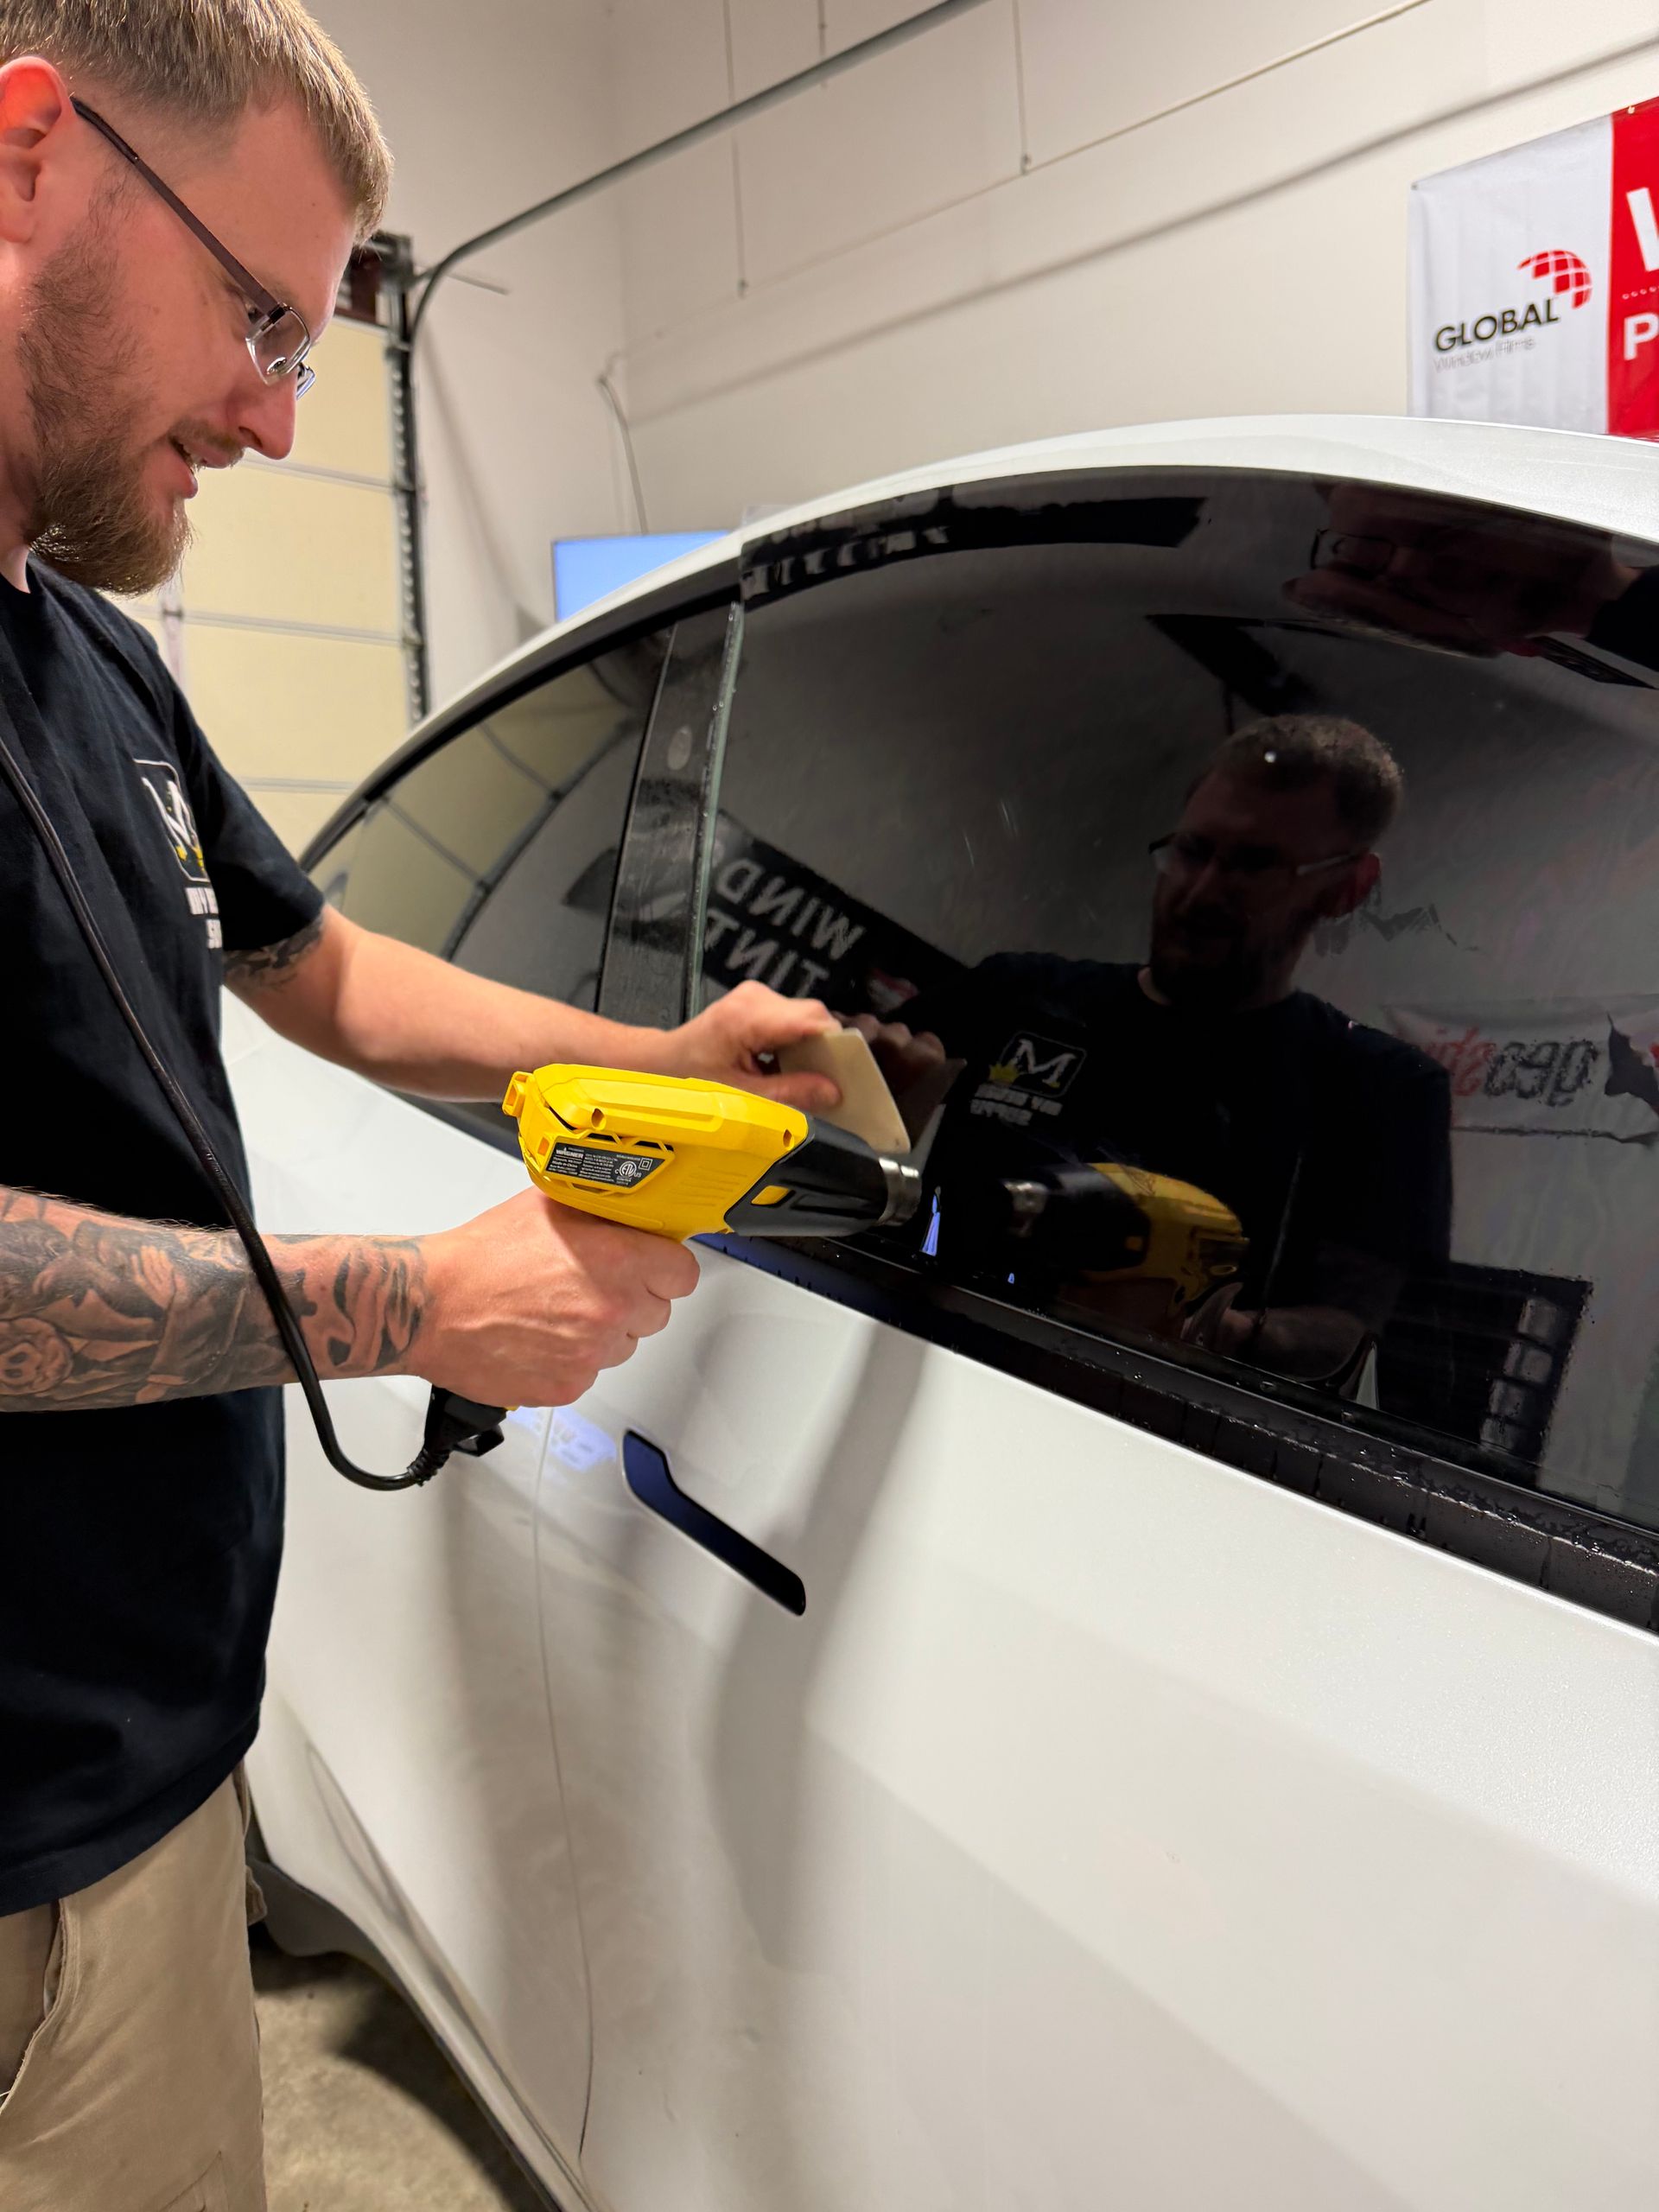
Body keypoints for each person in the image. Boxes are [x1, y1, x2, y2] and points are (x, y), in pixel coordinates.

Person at [0, 12, 841, 2209]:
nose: (282, 413)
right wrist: (409, 1297)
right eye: (259, 315)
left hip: (143, 1752)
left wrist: (646, 1062)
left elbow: (323, 969)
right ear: (25, 156)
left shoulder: (90, 657)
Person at [867, 715, 1452, 1380]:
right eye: (1192, 850)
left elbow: (1344, 1330)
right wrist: (852, 1095)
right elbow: (838, 1110)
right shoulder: (1018, 993)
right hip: (911, 1365)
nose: (1199, 893)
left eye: (1254, 864)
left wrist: (1207, 1328)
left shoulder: (1380, 1088)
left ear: (1347, 888)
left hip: (1154, 1437)